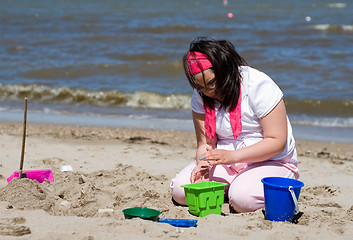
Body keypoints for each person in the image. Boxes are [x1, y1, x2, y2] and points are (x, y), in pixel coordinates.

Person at [170, 37, 299, 213]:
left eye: (212, 83)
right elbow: (205, 144)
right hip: (225, 159)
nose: (208, 92)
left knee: (242, 200)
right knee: (181, 192)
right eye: (200, 87)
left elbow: (277, 141)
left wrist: (232, 156)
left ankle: (243, 186)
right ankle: (233, 185)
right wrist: (203, 164)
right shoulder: (201, 94)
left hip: (270, 160)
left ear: (225, 69)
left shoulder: (258, 85)